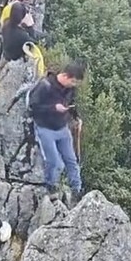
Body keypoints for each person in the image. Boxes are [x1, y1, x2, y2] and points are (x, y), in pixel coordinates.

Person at [27, 61, 86, 204]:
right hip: (45, 128)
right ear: (65, 76)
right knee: (54, 161)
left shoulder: (70, 89)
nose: (73, 85)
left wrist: (76, 118)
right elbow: (33, 107)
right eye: (73, 81)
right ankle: (51, 186)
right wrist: (54, 108)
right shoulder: (45, 86)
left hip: (62, 128)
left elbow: (71, 103)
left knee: (71, 161)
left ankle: (76, 190)